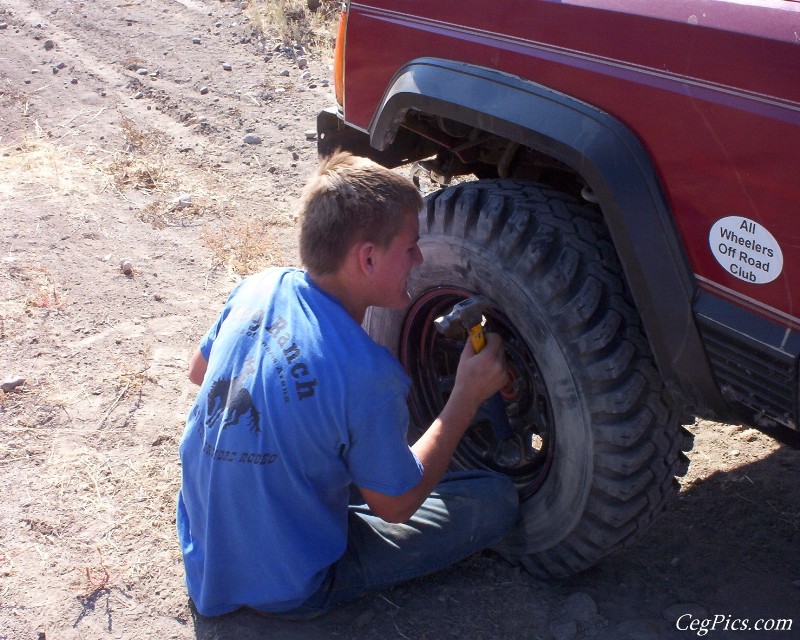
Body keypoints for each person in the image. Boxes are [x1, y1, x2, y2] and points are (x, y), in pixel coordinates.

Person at [177, 151, 519, 619]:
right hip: (289, 589)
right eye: (411, 247)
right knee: (496, 499)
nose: (420, 257)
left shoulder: (259, 288)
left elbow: (200, 371)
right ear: (369, 257)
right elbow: (395, 507)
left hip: (206, 556)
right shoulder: (366, 373)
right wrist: (465, 396)